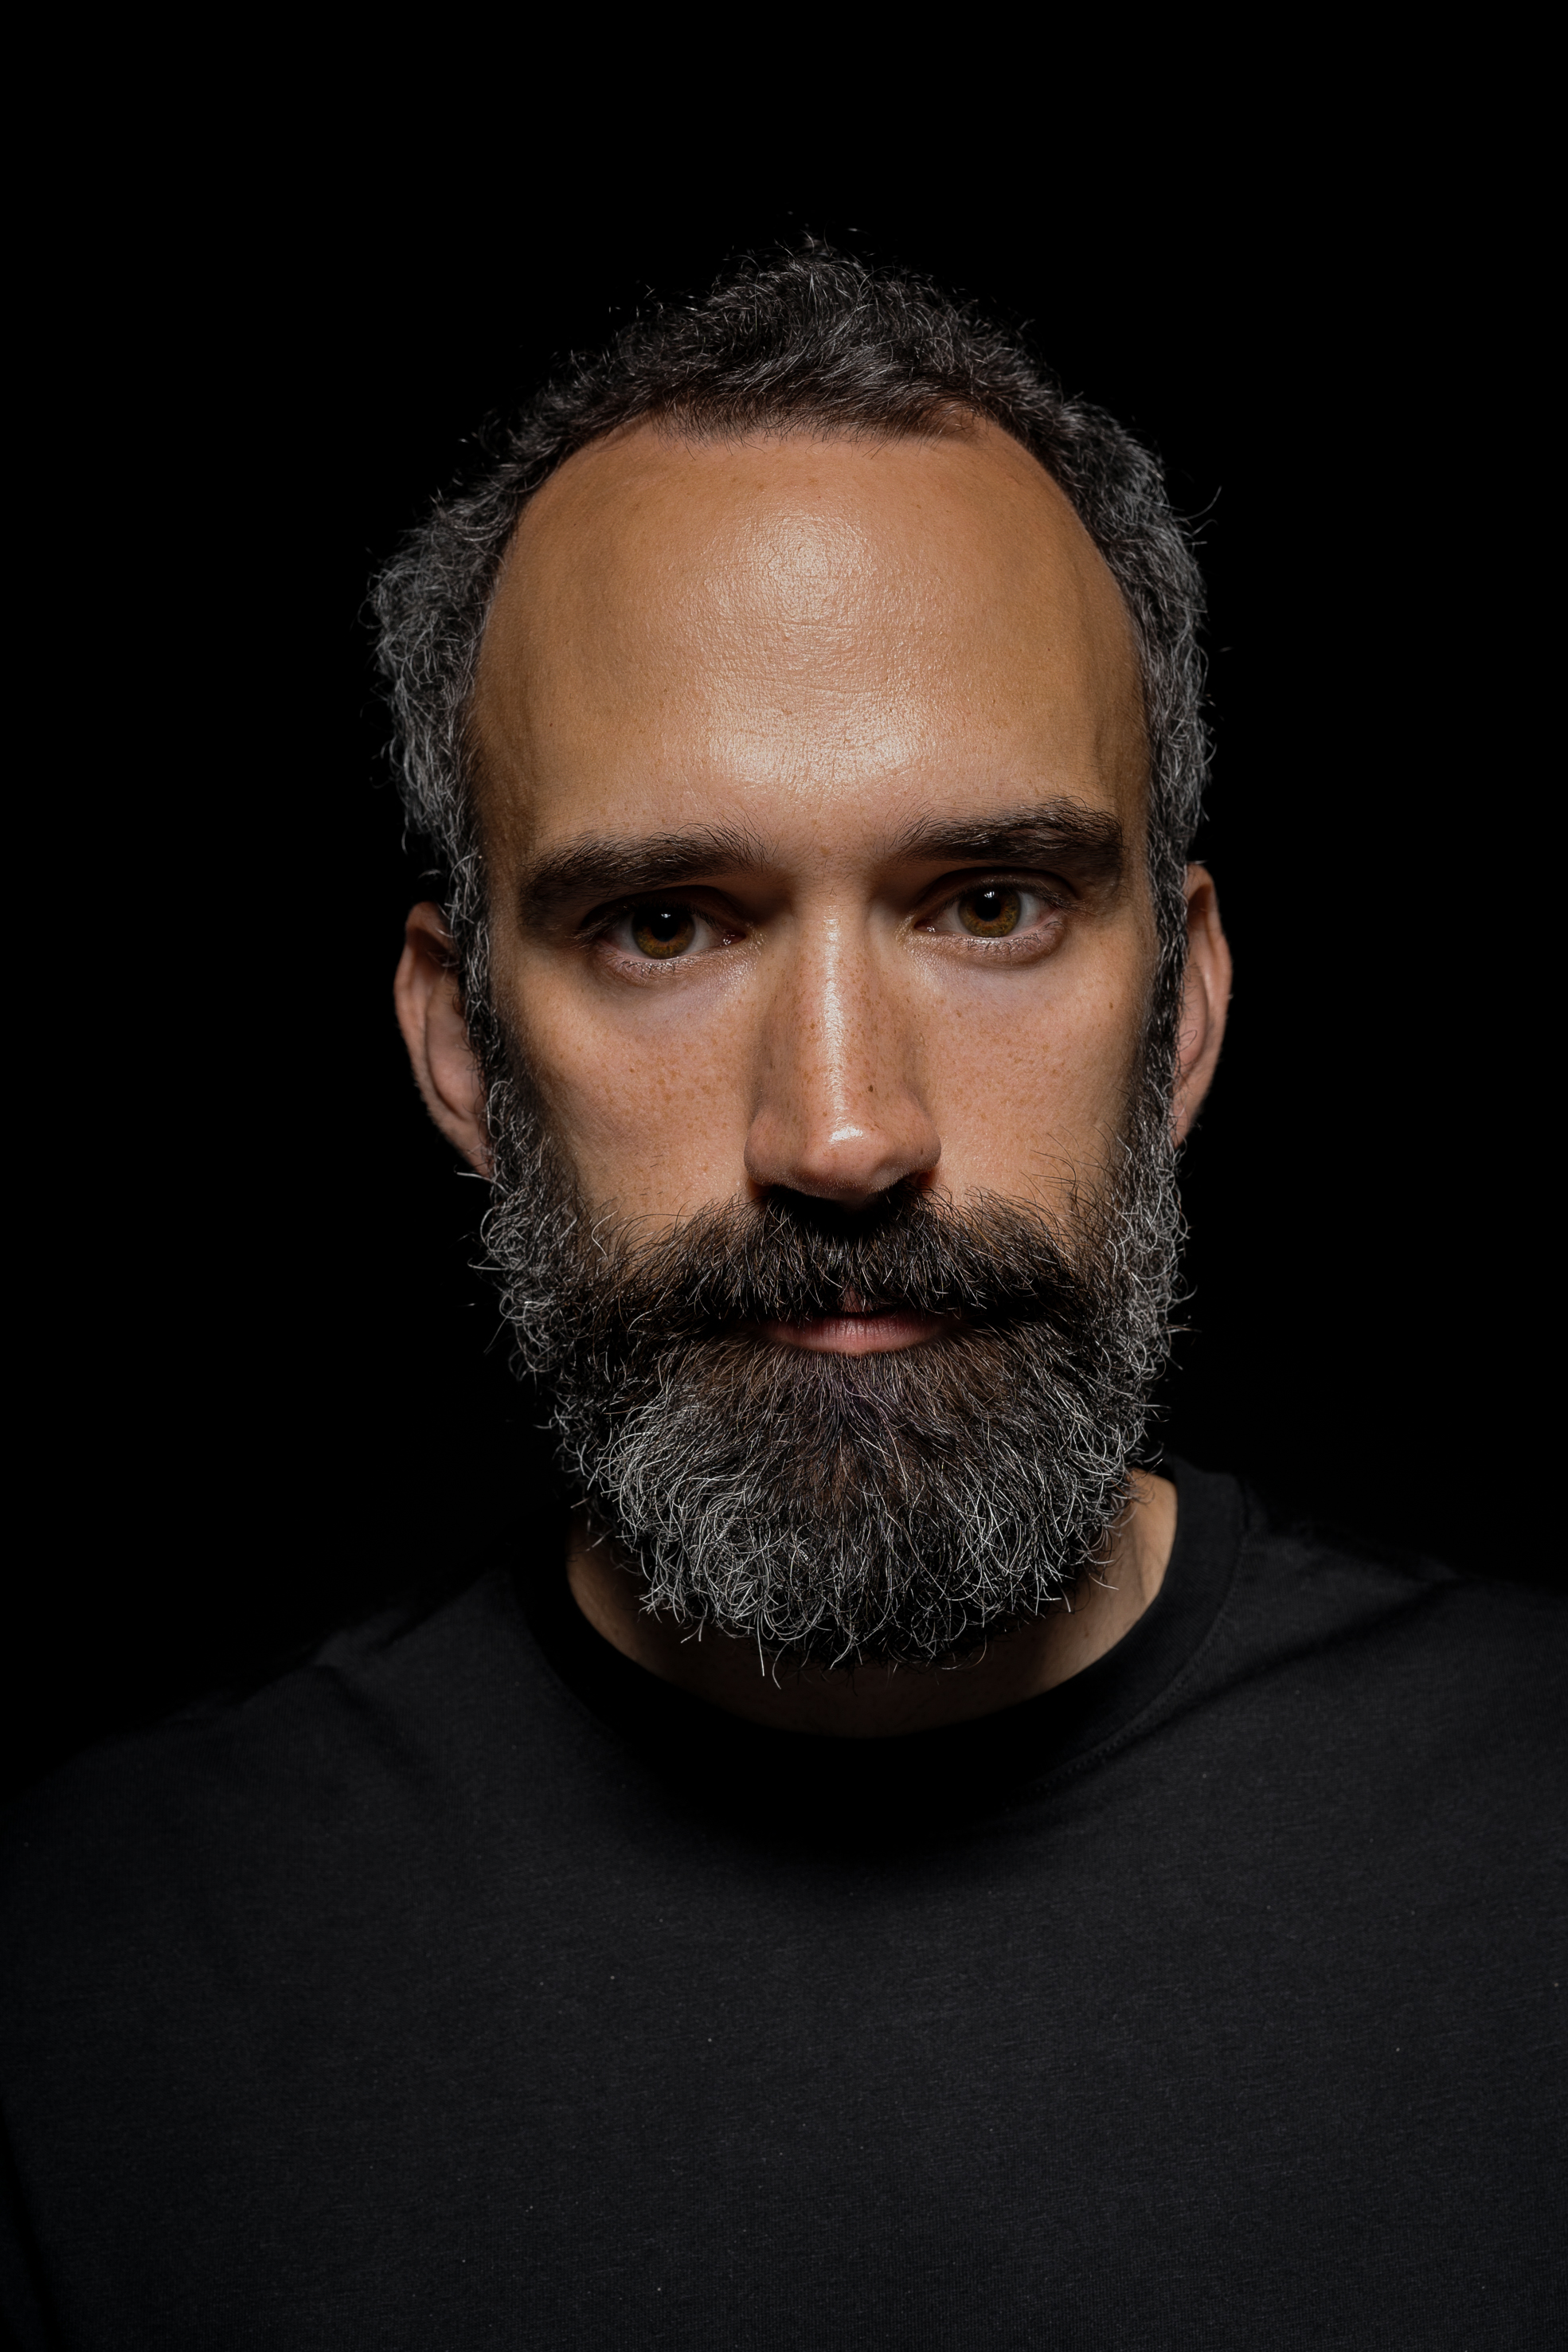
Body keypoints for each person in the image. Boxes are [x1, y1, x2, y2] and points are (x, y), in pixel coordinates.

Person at [2, 250, 1560, 2351]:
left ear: (1181, 1010)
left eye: (989, 903)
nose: (841, 1132)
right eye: (664, 923)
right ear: (460, 1046)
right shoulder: (83, 1982)